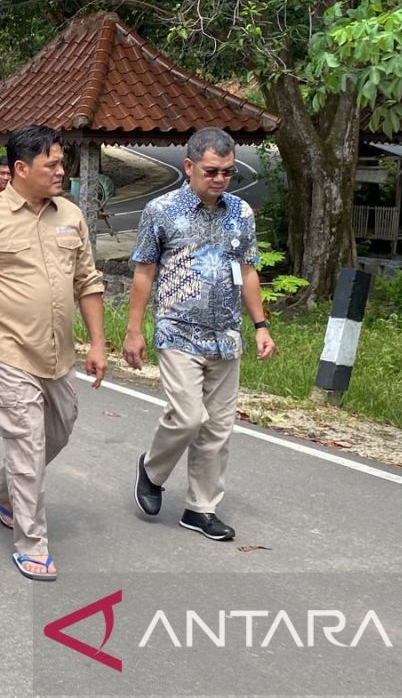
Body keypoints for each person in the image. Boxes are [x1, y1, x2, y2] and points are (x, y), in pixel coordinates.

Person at [0, 125, 107, 582]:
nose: (61, 171)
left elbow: (88, 282)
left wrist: (97, 343)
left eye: (62, 162)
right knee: (27, 441)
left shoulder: (71, 216)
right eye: (51, 164)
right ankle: (32, 543)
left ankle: (2, 491)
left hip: (58, 353)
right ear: (20, 169)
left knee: (60, 428)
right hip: (7, 349)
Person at [124, 127, 277, 542]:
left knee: (218, 429)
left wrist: (260, 325)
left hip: (226, 335)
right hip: (178, 330)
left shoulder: (240, 213)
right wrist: (134, 330)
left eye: (228, 172)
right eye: (212, 171)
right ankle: (153, 470)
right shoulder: (161, 210)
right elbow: (144, 271)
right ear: (190, 166)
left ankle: (200, 509)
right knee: (189, 416)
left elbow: (248, 269)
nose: (220, 179)